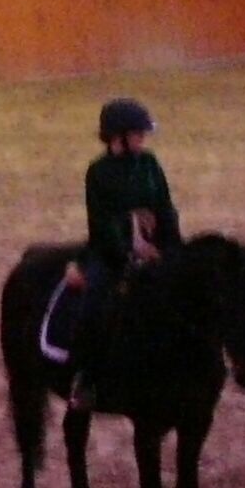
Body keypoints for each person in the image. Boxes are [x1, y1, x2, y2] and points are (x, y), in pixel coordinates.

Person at [67, 98, 182, 409]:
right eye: (137, 133)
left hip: (156, 248)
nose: (143, 139)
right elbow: (101, 223)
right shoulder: (98, 172)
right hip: (110, 253)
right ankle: (87, 378)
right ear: (118, 136)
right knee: (94, 303)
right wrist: (130, 252)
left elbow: (165, 206)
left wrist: (172, 247)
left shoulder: (150, 164)